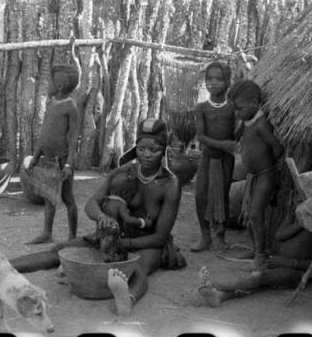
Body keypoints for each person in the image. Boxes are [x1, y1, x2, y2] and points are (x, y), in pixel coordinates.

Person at [10, 118, 187, 317]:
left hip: (147, 243)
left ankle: (127, 299)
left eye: (153, 150)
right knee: (61, 250)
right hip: (113, 234)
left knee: (136, 269)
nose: (146, 155)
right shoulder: (123, 173)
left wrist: (124, 243)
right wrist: (102, 217)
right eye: (142, 148)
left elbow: (160, 237)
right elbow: (90, 205)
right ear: (136, 147)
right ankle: (4, 266)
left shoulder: (170, 185)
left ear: (163, 150)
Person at [198, 196, 312, 307]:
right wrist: (301, 224)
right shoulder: (294, 216)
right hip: (278, 262)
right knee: (256, 283)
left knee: (259, 276)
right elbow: (280, 235)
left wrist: (288, 263)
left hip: (298, 272)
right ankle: (220, 296)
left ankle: (219, 285)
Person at [228, 80, 284, 269]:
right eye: (235, 109)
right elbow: (238, 134)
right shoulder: (247, 121)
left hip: (265, 175)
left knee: (255, 214)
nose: (237, 113)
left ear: (254, 102)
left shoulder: (261, 124)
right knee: (249, 214)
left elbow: (276, 147)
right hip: (253, 177)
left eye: (240, 108)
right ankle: (255, 249)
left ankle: (261, 256)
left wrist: (268, 164)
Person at [25, 64, 80, 244]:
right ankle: (47, 233)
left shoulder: (70, 108)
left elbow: (72, 140)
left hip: (62, 160)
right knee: (49, 197)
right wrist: (35, 156)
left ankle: (72, 236)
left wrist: (69, 164)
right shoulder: (52, 104)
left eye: (50, 82)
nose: (47, 85)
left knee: (67, 197)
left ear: (59, 86)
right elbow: (44, 134)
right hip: (48, 159)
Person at [191, 61, 236, 252]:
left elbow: (237, 132)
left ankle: (220, 236)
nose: (213, 83)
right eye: (209, 79)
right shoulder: (201, 107)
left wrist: (232, 145)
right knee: (201, 195)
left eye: (219, 79)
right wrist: (223, 145)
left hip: (226, 160)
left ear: (227, 82)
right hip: (208, 157)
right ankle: (205, 236)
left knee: (222, 195)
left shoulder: (233, 107)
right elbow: (201, 136)